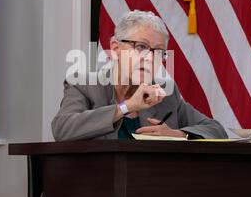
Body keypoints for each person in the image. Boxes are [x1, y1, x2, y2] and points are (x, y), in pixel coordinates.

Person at [52, 10, 227, 141]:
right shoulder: (84, 85)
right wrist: (126, 106)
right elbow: (62, 129)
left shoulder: (166, 93)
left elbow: (216, 130)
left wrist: (179, 134)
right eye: (141, 47)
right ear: (115, 48)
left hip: (149, 185)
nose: (150, 58)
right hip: (96, 184)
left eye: (159, 51)